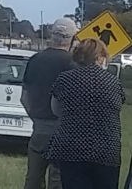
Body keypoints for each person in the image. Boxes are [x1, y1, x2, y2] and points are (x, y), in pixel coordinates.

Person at [45, 38, 125, 189]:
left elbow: (55, 109)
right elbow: (117, 109)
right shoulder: (114, 83)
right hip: (107, 151)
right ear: (101, 57)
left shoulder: (65, 79)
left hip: (71, 150)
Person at [21, 18, 77, 189]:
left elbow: (24, 97)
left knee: (33, 178)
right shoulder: (73, 64)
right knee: (59, 180)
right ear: (72, 39)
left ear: (52, 36)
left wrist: (36, 118)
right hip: (66, 131)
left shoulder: (35, 60)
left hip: (40, 128)